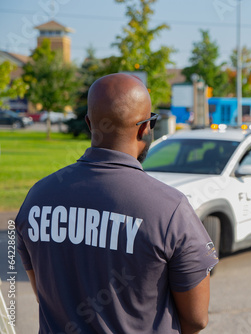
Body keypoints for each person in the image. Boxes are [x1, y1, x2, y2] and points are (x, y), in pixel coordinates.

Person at [15, 73, 218, 334]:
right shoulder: (170, 209)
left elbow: (43, 294)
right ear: (145, 128)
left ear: (89, 123)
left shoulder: (37, 198)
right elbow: (196, 319)